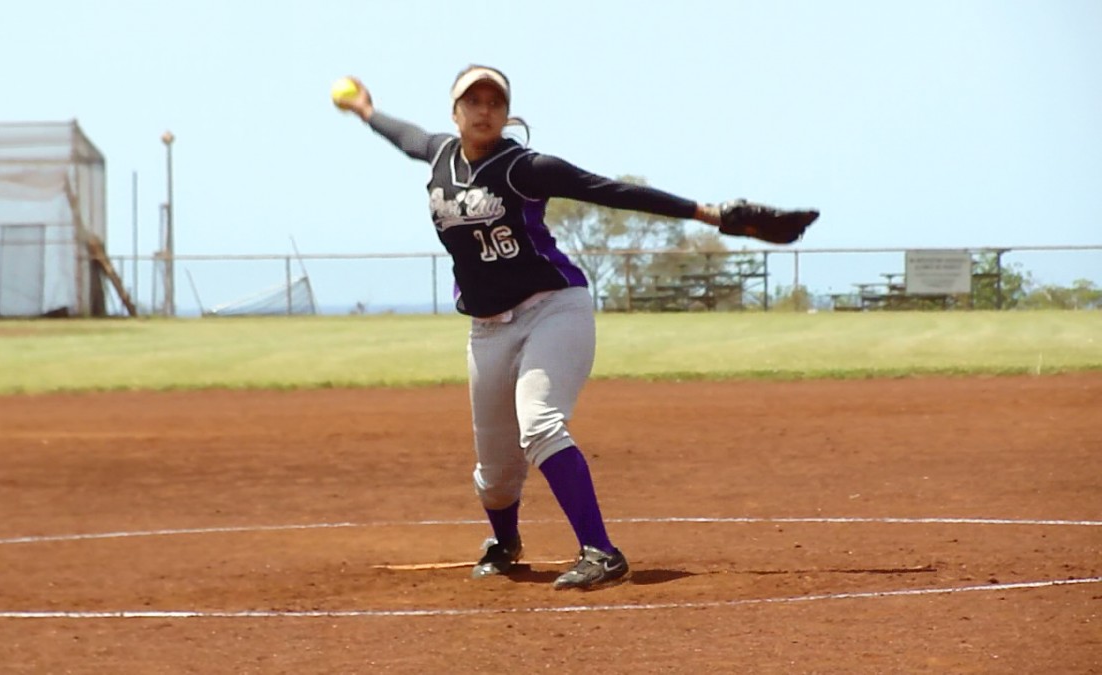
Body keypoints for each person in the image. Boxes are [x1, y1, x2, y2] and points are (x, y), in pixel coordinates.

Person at [334, 65, 794, 590]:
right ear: (455, 111)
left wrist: (709, 213)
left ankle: (601, 552)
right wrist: (365, 109)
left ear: (506, 114)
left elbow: (612, 192)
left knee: (540, 422)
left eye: (495, 103)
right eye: (473, 101)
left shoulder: (525, 167)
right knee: (495, 474)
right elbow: (401, 134)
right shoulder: (438, 153)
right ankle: (505, 543)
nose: (484, 111)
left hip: (553, 308)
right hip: (486, 329)